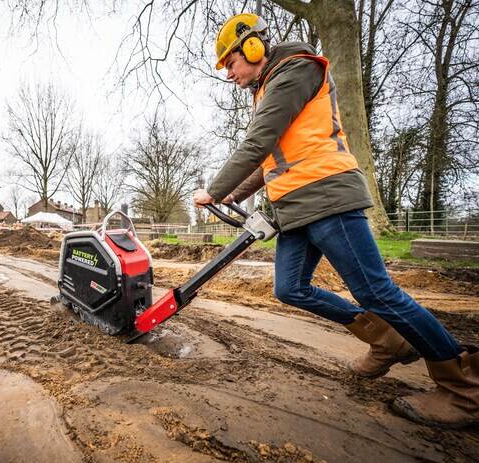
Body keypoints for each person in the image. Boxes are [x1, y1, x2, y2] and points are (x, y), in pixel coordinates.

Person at [192, 12, 478, 429]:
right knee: (290, 289)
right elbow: (272, 152)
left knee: (377, 292)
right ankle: (387, 341)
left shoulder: (296, 71)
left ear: (251, 48)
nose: (230, 74)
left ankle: (465, 388)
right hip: (295, 208)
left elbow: (258, 141)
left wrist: (215, 188)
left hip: (327, 196)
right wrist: (235, 193)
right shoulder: (269, 86)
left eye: (230, 64)